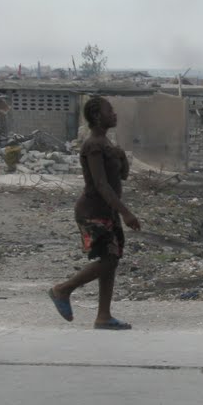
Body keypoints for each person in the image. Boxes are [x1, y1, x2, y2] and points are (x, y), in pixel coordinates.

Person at [49, 96, 141, 330]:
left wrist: (121, 156)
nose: (115, 114)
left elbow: (122, 177)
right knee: (109, 260)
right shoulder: (93, 146)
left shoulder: (107, 145)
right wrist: (127, 213)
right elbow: (101, 184)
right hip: (92, 211)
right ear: (98, 117)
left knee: (111, 260)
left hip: (108, 212)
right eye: (110, 111)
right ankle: (63, 289)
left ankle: (103, 316)